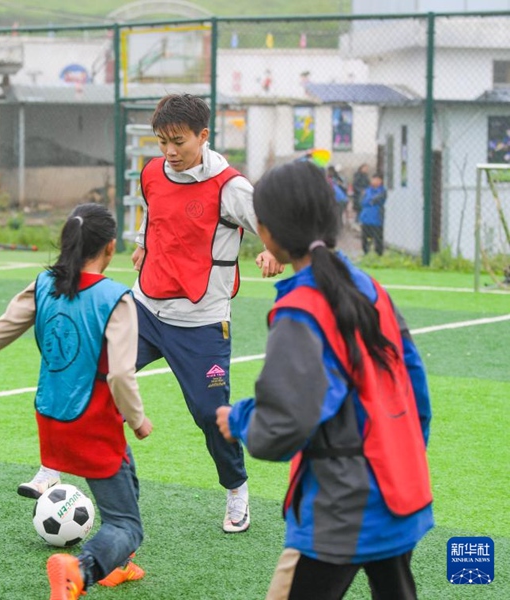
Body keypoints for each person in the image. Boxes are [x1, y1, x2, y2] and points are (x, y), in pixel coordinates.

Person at [19, 94, 283, 535]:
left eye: (178, 142)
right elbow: (151, 212)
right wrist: (143, 240)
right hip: (145, 307)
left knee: (208, 413)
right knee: (92, 373)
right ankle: (53, 466)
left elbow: (270, 225)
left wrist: (273, 251)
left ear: (203, 136)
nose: (169, 152)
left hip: (201, 321)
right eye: (161, 142)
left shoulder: (230, 186)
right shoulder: (153, 172)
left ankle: (236, 488)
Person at [216, 160, 433, 599]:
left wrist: (237, 420)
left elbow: (283, 424)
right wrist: (401, 456)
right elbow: (416, 390)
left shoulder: (301, 310)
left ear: (267, 230)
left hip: (343, 506)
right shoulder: (370, 288)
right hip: (399, 490)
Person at [0, 203, 153, 598]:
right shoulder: (116, 298)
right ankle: (81, 570)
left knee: (125, 475)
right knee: (125, 524)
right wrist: (137, 419)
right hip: (94, 420)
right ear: (110, 247)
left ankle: (119, 562)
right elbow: (121, 374)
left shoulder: (43, 285)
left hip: (52, 418)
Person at [359, 173, 387, 256]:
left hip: (376, 219)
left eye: (377, 179)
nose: (374, 181)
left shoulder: (382, 191)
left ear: (381, 181)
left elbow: (378, 200)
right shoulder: (366, 190)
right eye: (373, 179)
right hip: (366, 218)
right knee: (365, 238)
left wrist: (370, 201)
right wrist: (370, 201)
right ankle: (366, 253)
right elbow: (362, 202)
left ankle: (378, 254)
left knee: (378, 238)